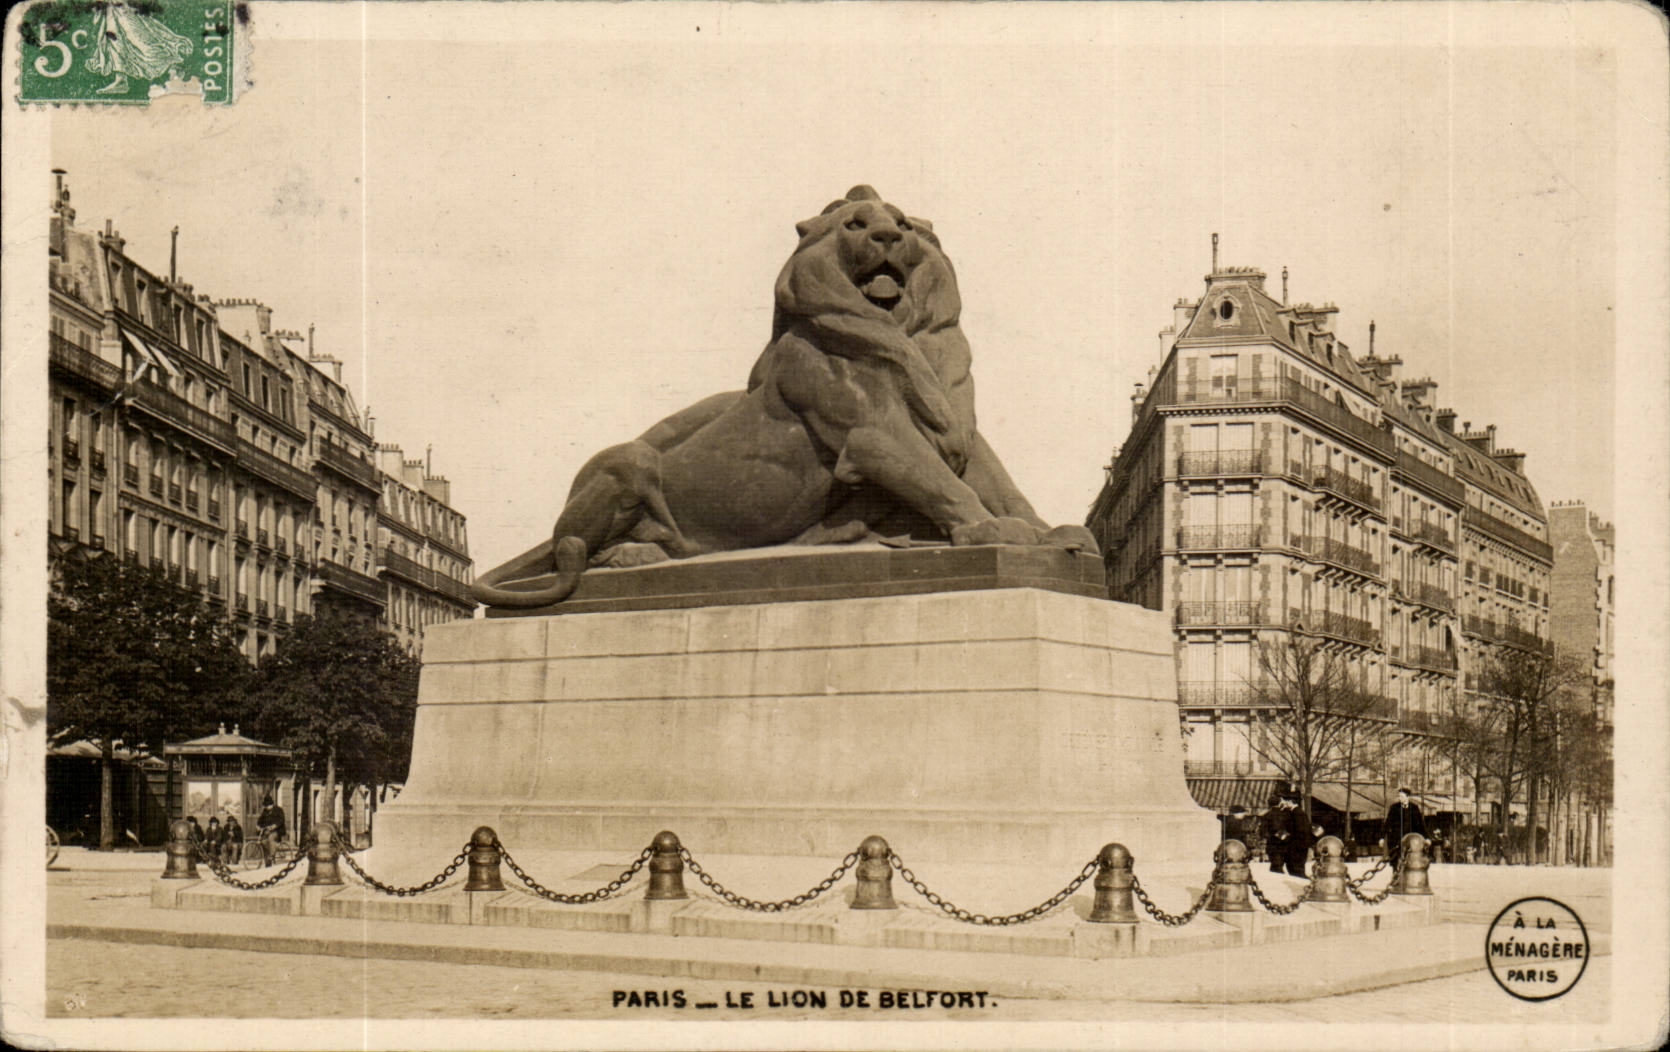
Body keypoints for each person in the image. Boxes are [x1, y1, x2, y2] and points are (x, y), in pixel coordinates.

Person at [1382, 787, 1426, 866]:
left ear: (1408, 797)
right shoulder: (1394, 808)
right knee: (1395, 862)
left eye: (1402, 796)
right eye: (1399, 796)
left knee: (1410, 861)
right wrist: (1382, 837)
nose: (1400, 798)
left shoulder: (1414, 808)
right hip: (1396, 840)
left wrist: (1427, 838)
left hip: (1410, 840)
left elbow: (1421, 824)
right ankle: (1395, 871)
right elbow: (1387, 823)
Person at [1262, 794, 1295, 874]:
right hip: (1284, 843)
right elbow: (1291, 828)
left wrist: (1271, 836)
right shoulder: (1286, 814)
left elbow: (1263, 832)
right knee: (1280, 864)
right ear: (1279, 803)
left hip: (1272, 843)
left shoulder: (1266, 815)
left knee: (1275, 864)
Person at [257, 795, 286, 866]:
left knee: (271, 838)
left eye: (268, 805)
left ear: (271, 804)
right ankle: (268, 860)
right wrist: (258, 826)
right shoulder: (265, 811)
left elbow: (281, 820)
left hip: (278, 830)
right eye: (266, 806)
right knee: (263, 841)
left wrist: (274, 826)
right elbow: (260, 820)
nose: (267, 807)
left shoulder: (278, 810)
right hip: (269, 830)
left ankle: (271, 856)